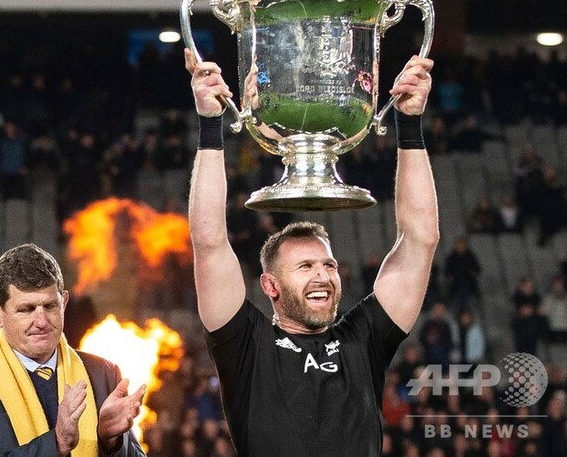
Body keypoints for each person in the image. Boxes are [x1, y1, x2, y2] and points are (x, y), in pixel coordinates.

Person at [185, 48, 438, 456]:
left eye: (328, 264)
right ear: (270, 285)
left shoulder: (362, 341)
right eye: (305, 266)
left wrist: (409, 124)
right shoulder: (247, 346)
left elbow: (420, 238)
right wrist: (210, 124)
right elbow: (209, 240)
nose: (323, 275)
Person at [0, 243, 147, 456]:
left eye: (50, 306)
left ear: (64, 302)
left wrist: (111, 442)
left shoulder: (104, 374)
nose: (41, 322)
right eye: (26, 309)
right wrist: (56, 444)